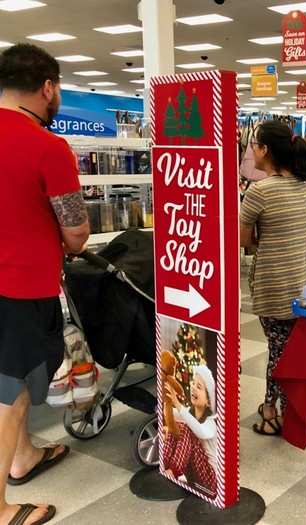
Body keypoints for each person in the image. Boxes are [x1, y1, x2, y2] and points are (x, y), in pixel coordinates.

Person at [0, 44, 89, 525]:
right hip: (19, 286)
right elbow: (75, 231)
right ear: (48, 87)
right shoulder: (47, 147)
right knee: (9, 393)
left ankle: (24, 456)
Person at [240, 121, 306, 436]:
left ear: (265, 150)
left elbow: (243, 239)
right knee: (290, 349)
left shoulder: (259, 190)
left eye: (254, 145)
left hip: (277, 286)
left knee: (279, 350)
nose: (251, 151)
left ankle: (274, 411)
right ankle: (281, 408)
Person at [162, 365, 217, 496]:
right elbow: (171, 414)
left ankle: (173, 471)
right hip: (194, 474)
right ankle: (165, 464)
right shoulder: (188, 412)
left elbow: (200, 431)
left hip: (211, 479)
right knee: (176, 425)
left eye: (199, 387)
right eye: (193, 383)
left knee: (186, 427)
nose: (193, 387)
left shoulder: (211, 422)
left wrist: (177, 404)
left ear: (208, 402)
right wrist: (167, 400)